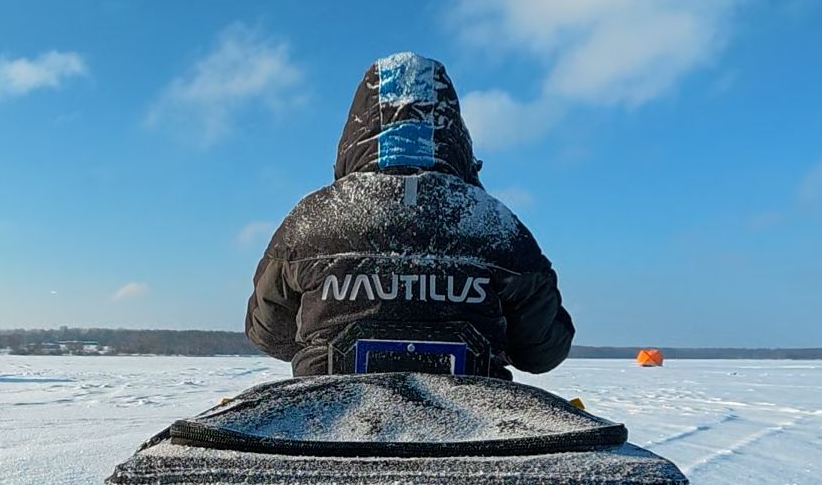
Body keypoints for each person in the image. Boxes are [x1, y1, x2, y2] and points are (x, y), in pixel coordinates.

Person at [245, 52, 575, 378]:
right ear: (455, 134)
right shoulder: (494, 224)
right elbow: (544, 350)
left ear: (353, 134)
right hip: (473, 425)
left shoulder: (311, 220)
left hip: (327, 422)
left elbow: (267, 332)